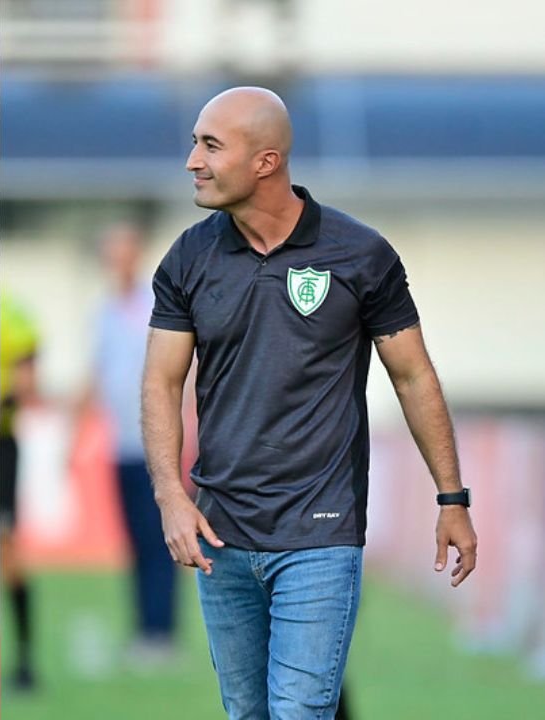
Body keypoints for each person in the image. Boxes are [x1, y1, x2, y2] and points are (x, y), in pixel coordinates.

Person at [141, 87, 477, 719]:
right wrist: (170, 495)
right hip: (222, 534)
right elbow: (161, 381)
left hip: (321, 536)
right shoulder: (188, 256)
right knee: (249, 714)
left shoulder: (361, 254)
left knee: (299, 712)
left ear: (265, 162)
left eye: (210, 144)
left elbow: (412, 376)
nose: (192, 160)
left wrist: (451, 498)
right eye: (194, 143)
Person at [78, 223, 181, 669]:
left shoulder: (154, 306)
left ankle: (161, 633)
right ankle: (144, 629)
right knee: (137, 541)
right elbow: (97, 375)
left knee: (163, 538)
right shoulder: (104, 311)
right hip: (120, 444)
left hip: (157, 444)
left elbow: (179, 368)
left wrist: (187, 427)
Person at [0, 291, 39, 690]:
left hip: (3, 443)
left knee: (8, 549)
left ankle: (26, 659)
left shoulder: (14, 316)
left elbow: (27, 386)